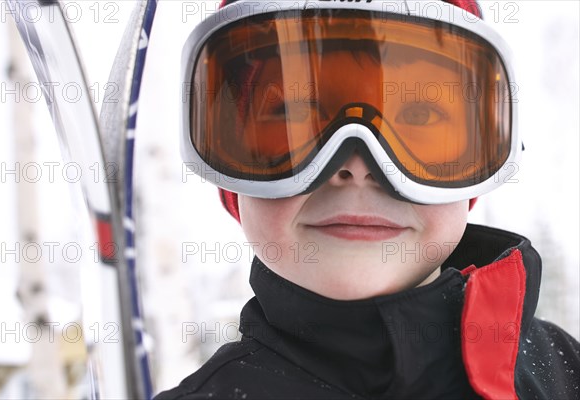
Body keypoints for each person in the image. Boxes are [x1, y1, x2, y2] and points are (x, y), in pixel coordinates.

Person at [156, 0, 579, 398]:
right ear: (231, 162)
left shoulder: (566, 373)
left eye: (419, 115)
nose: (358, 165)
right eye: (294, 112)